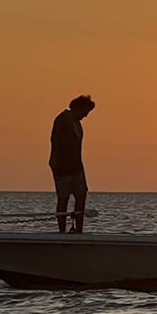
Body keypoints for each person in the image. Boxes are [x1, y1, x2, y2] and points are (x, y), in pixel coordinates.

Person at [49, 94, 95, 233]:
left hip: (76, 167)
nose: (86, 116)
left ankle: (79, 230)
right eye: (85, 112)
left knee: (81, 196)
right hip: (62, 168)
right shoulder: (63, 120)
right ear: (78, 108)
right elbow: (60, 143)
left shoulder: (77, 123)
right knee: (63, 199)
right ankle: (62, 231)